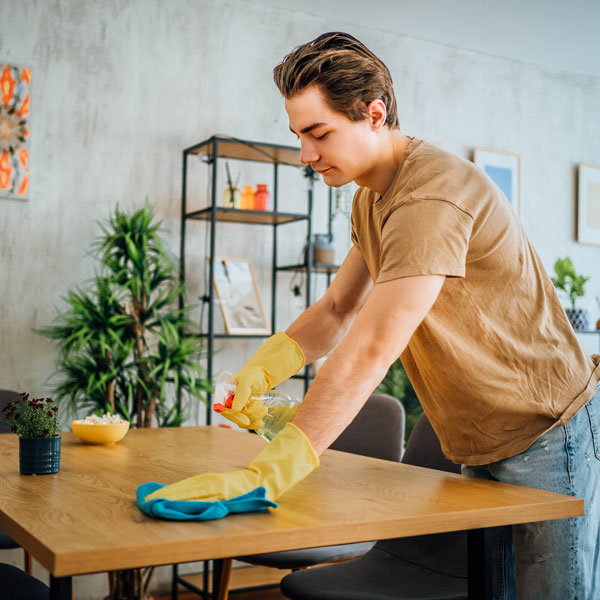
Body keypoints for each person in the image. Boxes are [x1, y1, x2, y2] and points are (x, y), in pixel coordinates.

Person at [147, 32, 600, 599]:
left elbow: (369, 349)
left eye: (318, 133)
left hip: (546, 429)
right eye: (297, 136)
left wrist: (269, 471)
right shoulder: (370, 196)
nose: (306, 155)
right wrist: (265, 366)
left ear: (374, 113)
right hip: (478, 436)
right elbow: (338, 307)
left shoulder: (431, 197)